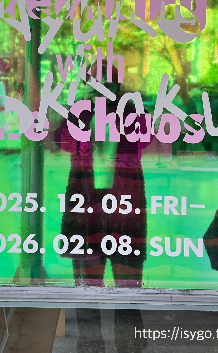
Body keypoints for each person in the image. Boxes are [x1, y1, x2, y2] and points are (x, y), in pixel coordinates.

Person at [54, 63, 149, 352]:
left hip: (119, 204)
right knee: (92, 287)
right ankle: (96, 344)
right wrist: (80, 109)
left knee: (123, 287)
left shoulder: (127, 110)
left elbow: (144, 139)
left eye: (105, 83)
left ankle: (123, 345)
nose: (101, 89)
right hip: (91, 203)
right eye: (94, 83)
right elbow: (61, 141)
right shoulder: (82, 112)